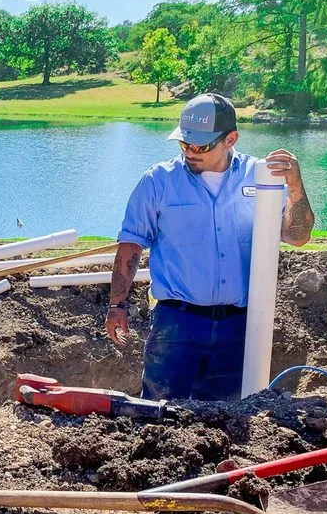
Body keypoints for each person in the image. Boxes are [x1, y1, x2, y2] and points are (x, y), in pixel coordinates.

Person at [106, 93, 315, 401]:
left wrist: (295, 187)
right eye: (184, 143)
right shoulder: (158, 182)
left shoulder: (261, 177)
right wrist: (117, 305)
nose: (190, 152)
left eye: (200, 146)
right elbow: (130, 247)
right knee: (159, 412)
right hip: (177, 324)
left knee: (227, 415)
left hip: (238, 326)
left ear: (230, 139)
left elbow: (298, 237)